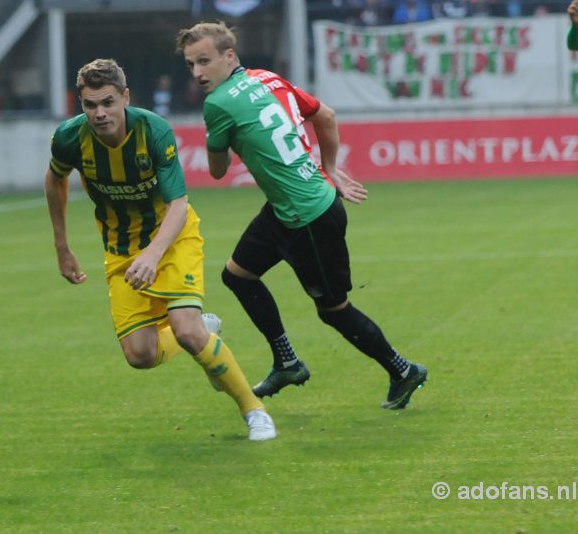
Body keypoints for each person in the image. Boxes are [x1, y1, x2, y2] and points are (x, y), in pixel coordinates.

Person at [175, 22, 427, 409]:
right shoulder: (269, 78)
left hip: (309, 218)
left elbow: (218, 171)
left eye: (204, 61)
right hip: (287, 208)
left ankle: (402, 369)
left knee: (333, 311)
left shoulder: (218, 104)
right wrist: (328, 168)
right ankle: (287, 361)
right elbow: (325, 115)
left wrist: (217, 137)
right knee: (237, 275)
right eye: (191, 64)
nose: (197, 73)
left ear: (230, 56)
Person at [45, 58, 276, 441]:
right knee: (140, 355)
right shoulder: (70, 138)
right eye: (89, 105)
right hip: (121, 250)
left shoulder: (153, 130)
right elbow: (55, 181)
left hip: (173, 238)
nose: (99, 113)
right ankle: (204, 333)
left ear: (125, 97)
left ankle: (254, 410)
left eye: (107, 102)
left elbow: (178, 205)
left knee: (185, 330)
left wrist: (153, 254)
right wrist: (61, 246)